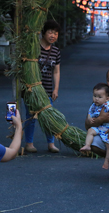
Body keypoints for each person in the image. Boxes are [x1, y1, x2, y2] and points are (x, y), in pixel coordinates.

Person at [23, 20, 61, 153]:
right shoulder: (34, 49)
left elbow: (56, 71)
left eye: (56, 33)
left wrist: (55, 89)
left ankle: (51, 143)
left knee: (48, 116)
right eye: (50, 32)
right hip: (32, 89)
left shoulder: (56, 51)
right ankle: (29, 143)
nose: (53, 35)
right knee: (31, 116)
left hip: (48, 89)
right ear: (43, 33)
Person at [80, 83, 109, 169]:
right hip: (98, 127)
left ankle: (107, 160)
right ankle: (87, 145)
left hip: (107, 129)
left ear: (107, 99)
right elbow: (89, 113)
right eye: (95, 96)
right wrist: (90, 119)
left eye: (99, 97)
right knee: (90, 131)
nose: (96, 99)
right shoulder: (93, 105)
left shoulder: (108, 105)